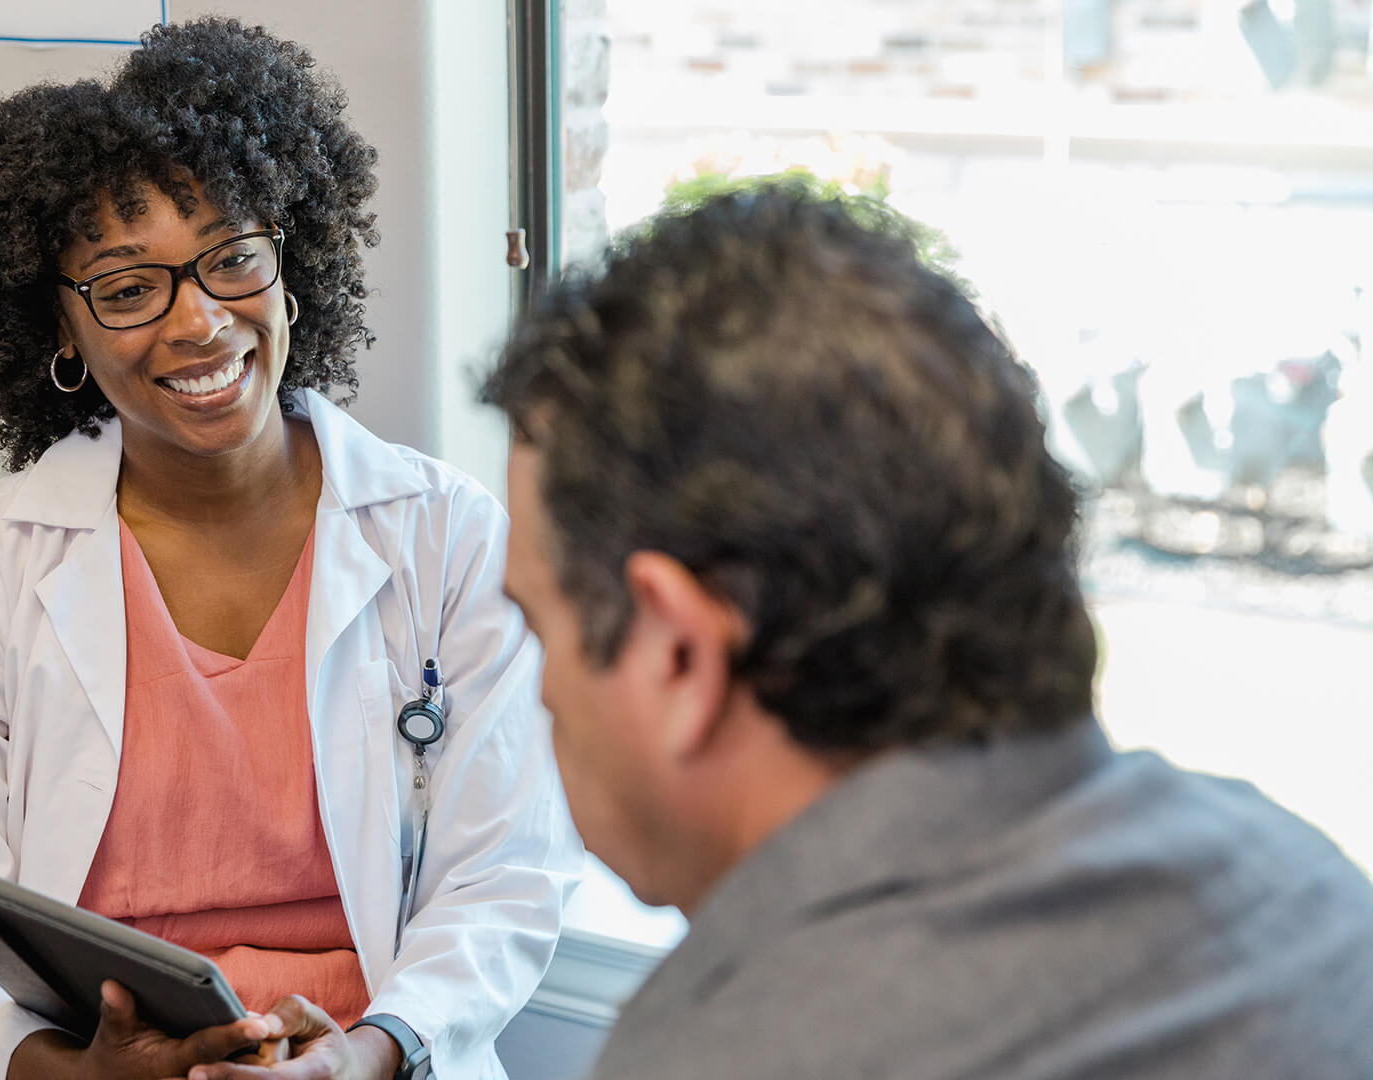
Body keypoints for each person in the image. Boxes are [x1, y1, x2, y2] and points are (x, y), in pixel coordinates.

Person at [483, 177, 1373, 1079]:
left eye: (540, 627)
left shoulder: (740, 1050)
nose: (541, 687)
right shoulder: (1310, 892)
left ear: (680, 653)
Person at [0, 19, 580, 1080]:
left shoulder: (444, 536)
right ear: (59, 330)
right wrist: (70, 1074)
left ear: (290, 266)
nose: (198, 322)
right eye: (130, 288)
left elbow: (505, 881)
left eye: (231, 259)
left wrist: (365, 1057)